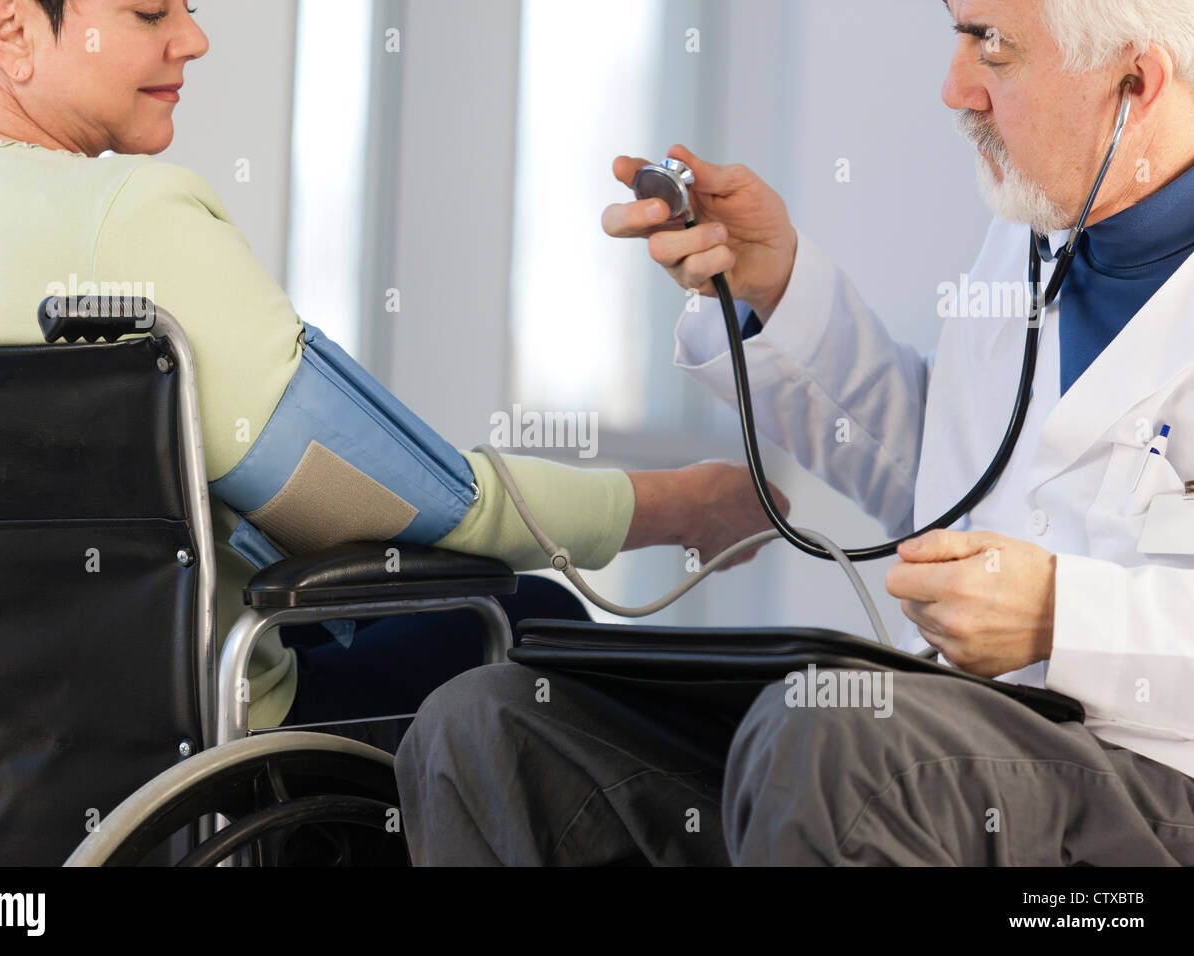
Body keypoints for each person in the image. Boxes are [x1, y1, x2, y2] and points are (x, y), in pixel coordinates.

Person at [396, 0, 1194, 865]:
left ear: (1135, 83)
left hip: (1154, 775)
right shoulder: (1035, 238)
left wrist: (1061, 615)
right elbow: (956, 485)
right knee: (492, 724)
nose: (955, 88)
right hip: (952, 744)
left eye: (991, 48)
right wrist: (771, 288)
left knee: (833, 742)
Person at [0, 0, 784, 735]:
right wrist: (685, 506)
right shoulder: (127, 220)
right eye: (150, 12)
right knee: (528, 622)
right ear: (11, 28)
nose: (194, 39)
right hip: (180, 746)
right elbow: (397, 502)